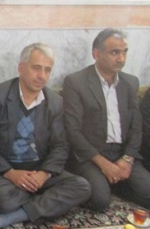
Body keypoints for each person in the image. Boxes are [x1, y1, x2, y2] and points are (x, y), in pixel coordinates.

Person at [0, 43, 90, 229]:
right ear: (21, 68)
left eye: (47, 70)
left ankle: (13, 216)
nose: (42, 76)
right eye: (36, 68)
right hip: (5, 171)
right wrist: (11, 173)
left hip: (39, 168)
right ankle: (45, 204)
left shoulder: (55, 102)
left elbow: (60, 145)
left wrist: (44, 174)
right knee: (4, 199)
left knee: (82, 186)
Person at [64, 28, 150, 211]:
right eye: (115, 52)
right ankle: (106, 183)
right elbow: (72, 131)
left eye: (124, 52)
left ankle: (115, 183)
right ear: (96, 54)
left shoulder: (130, 83)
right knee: (100, 201)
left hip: (121, 153)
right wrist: (104, 164)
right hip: (91, 156)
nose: (121, 58)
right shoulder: (76, 82)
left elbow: (136, 126)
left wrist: (127, 159)